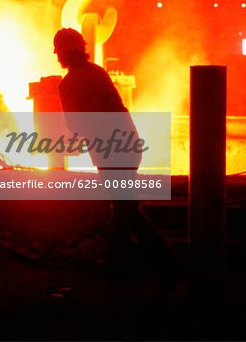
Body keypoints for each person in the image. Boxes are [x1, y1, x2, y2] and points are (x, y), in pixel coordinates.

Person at [54, 28, 180, 292]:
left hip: (109, 153)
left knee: (124, 211)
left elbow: (74, 126)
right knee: (127, 209)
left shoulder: (67, 84)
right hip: (129, 145)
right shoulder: (98, 72)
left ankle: (123, 269)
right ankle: (164, 264)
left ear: (62, 55)